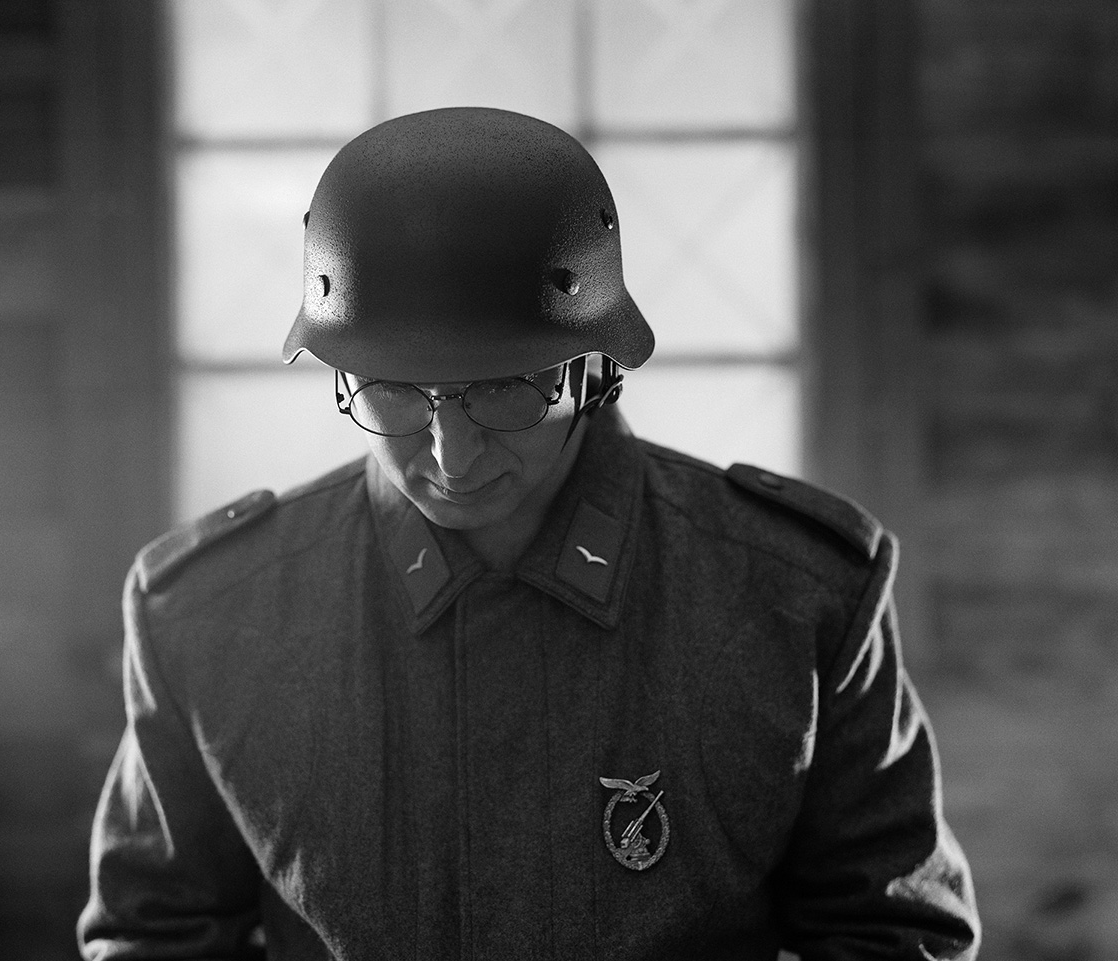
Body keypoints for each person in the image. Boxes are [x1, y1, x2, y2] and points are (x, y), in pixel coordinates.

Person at [79, 107, 980, 960]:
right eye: (393, 392)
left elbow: (896, 935)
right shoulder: (211, 617)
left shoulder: (795, 597)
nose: (450, 452)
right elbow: (156, 934)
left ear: (596, 372)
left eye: (508, 390)